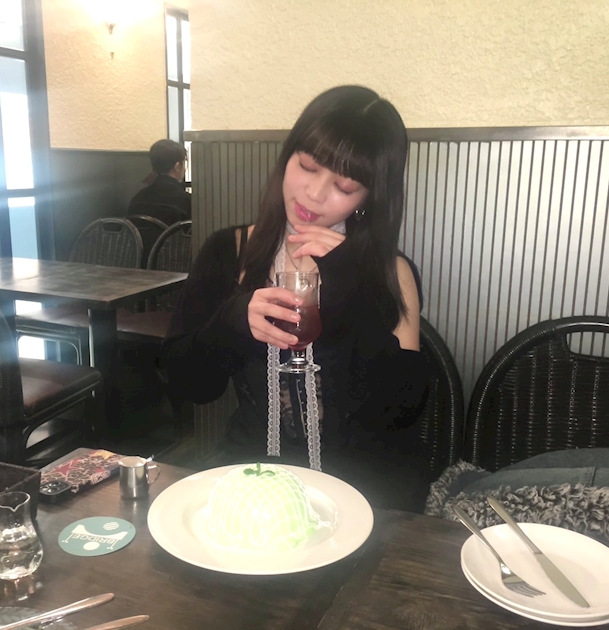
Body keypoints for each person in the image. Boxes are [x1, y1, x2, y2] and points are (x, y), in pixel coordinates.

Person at [160, 86, 431, 510]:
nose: (314, 194)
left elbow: (401, 411)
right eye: (307, 166)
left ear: (368, 197)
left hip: (366, 491)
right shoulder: (228, 252)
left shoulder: (391, 272)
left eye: (344, 186)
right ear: (287, 158)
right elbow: (188, 384)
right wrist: (233, 320)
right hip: (256, 478)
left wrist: (351, 293)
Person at [126, 140, 191, 260]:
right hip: (175, 264)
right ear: (177, 166)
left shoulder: (137, 199)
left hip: (139, 263)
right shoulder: (186, 201)